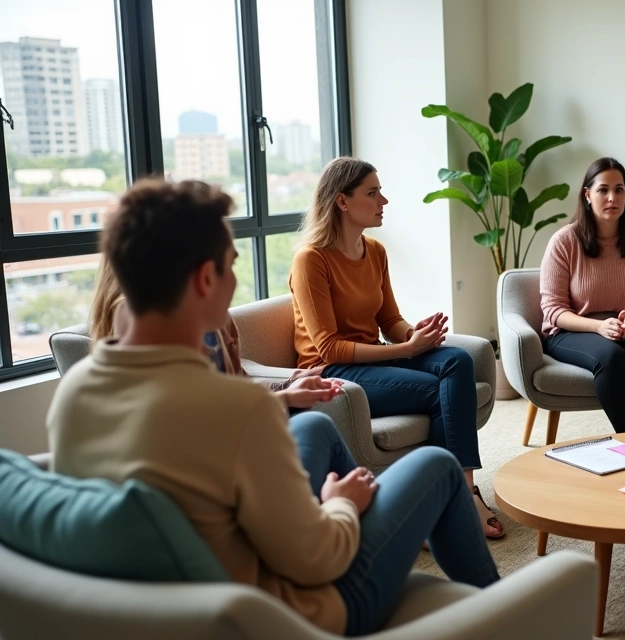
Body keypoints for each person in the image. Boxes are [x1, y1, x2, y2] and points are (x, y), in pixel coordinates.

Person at [48, 179, 500, 636]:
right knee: (438, 465)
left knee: (315, 429)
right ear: (205, 279)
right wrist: (340, 506)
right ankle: (506, 613)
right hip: (301, 608)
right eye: (231, 265)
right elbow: (317, 557)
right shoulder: (239, 408)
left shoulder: (76, 391)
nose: (234, 283)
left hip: (189, 590)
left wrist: (282, 396)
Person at [290, 157, 503, 539]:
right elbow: (330, 348)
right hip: (333, 372)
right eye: (373, 193)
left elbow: (389, 320)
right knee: (437, 391)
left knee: (457, 359)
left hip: (371, 358)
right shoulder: (311, 260)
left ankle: (462, 489)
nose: (383, 201)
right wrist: (405, 350)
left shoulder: (374, 250)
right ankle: (442, 501)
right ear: (342, 201)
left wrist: (412, 334)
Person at [89, 257, 336, 411]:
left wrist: (288, 384)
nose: (230, 280)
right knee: (315, 426)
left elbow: (234, 386)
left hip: (228, 435)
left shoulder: (210, 319)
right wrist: (285, 398)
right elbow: (203, 414)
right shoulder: (149, 324)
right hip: (216, 448)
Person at [539, 157, 625, 433]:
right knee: (611, 357)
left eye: (619, 190)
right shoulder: (564, 241)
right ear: (587, 195)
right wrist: (599, 326)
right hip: (573, 331)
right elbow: (553, 309)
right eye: (603, 190)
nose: (612, 198)